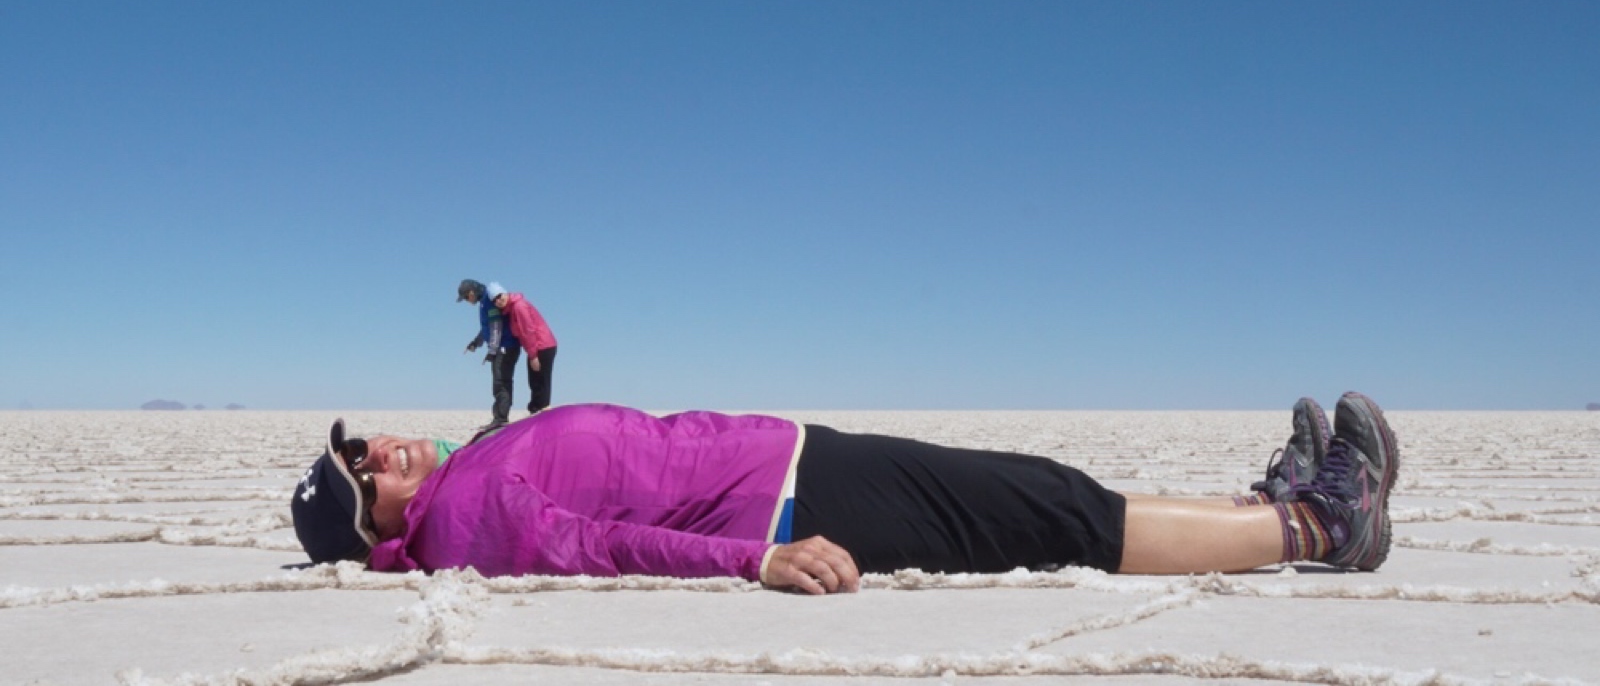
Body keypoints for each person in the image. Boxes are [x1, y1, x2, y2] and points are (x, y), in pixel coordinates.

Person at [291, 391, 1398, 594]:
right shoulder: (473, 518)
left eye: (367, 442)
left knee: (1044, 491)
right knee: (1053, 511)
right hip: (788, 503)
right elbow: (600, 543)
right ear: (376, 523)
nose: (382, 451)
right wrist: (752, 557)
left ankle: (1266, 511)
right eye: (365, 474)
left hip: (790, 458)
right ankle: (1317, 524)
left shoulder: (463, 470)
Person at [457, 279, 518, 428]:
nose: (466, 301)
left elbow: (496, 327)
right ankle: (499, 418)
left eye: (466, 297)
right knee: (500, 382)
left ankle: (501, 419)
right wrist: (475, 343)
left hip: (505, 347)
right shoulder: (484, 302)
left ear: (471, 293)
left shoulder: (489, 301)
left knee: (501, 383)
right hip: (501, 347)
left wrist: (492, 351)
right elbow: (487, 329)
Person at [492, 286, 559, 415]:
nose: (498, 301)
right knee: (534, 382)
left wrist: (533, 356)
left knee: (540, 383)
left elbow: (528, 331)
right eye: (495, 300)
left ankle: (542, 413)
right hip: (536, 346)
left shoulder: (519, 307)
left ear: (505, 293)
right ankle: (536, 411)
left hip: (542, 345)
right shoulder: (511, 309)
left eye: (499, 296)